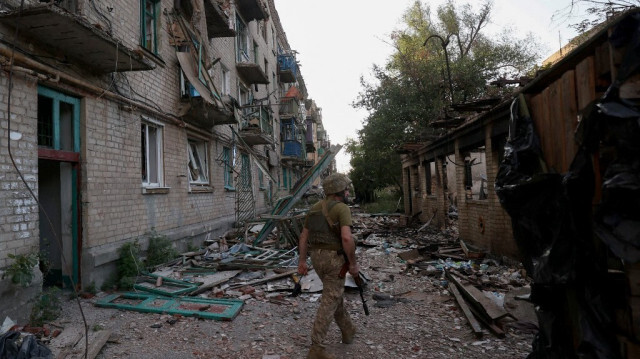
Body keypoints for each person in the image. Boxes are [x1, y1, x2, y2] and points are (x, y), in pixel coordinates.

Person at [297, 173, 359, 359]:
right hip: (334, 260)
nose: (348, 191)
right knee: (329, 301)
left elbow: (304, 237)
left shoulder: (314, 209)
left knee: (334, 294)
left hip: (317, 259)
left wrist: (302, 261)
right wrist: (353, 264)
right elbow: (347, 238)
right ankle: (317, 348)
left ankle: (348, 330)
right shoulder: (342, 208)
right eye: (346, 189)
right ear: (339, 190)